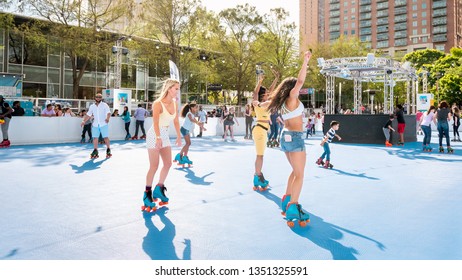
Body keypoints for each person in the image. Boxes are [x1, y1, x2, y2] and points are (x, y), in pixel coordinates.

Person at [267, 50, 311, 227]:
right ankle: (293, 206)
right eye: (296, 89)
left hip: (285, 137)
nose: (299, 91)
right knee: (300, 174)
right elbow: (300, 81)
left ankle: (286, 198)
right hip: (295, 137)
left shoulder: (283, 104)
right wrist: (305, 62)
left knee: (295, 171)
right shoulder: (292, 99)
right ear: (292, 89)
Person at [142, 78, 182, 212]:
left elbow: (176, 121)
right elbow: (155, 122)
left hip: (164, 134)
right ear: (169, 88)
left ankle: (159, 188)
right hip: (155, 134)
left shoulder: (175, 103)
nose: (178, 91)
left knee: (168, 163)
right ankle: (147, 194)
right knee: (154, 166)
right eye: (176, 88)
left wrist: (178, 135)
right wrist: (158, 137)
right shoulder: (158, 103)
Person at [251, 71, 279, 190]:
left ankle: (257, 178)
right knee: (260, 156)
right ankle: (258, 177)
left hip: (262, 130)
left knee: (260, 155)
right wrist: (260, 81)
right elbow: (255, 92)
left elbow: (272, 91)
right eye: (266, 93)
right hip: (260, 130)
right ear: (263, 95)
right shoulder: (259, 103)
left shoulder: (265, 103)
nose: (268, 93)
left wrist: (276, 79)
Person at [81, 93, 112, 158]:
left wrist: (107, 118)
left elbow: (108, 112)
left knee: (105, 137)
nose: (98, 98)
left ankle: (108, 149)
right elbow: (88, 115)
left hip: (103, 124)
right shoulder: (92, 106)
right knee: (95, 138)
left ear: (101, 98)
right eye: (97, 97)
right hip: (95, 124)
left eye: (99, 97)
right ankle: (95, 150)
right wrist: (84, 121)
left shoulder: (104, 105)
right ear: (95, 98)